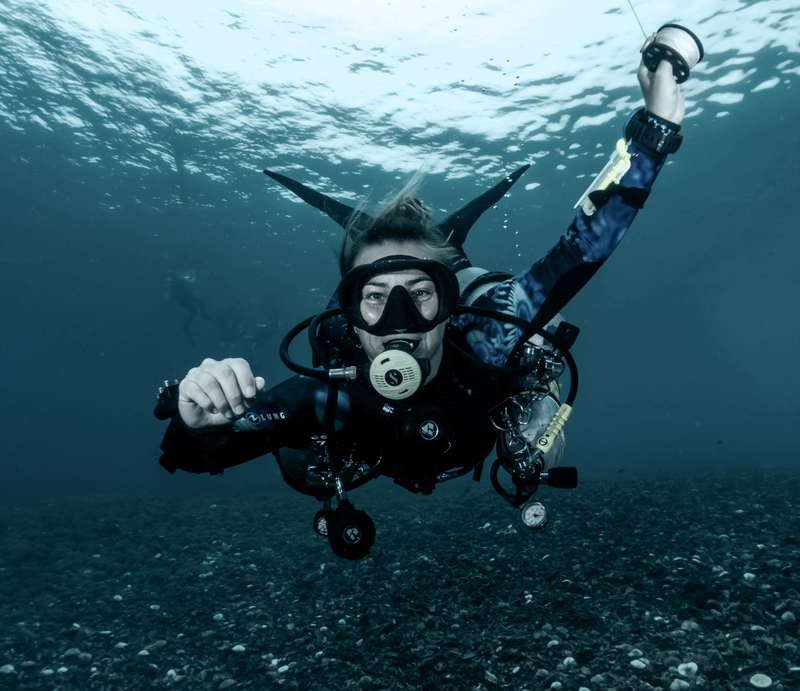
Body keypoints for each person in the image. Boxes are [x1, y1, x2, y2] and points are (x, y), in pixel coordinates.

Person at [156, 56, 689, 559]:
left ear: (449, 301)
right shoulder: (329, 394)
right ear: (348, 316)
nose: (399, 323)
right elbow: (204, 452)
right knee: (298, 466)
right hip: (365, 446)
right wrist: (196, 419)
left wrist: (652, 134)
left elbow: (580, 250)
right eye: (374, 298)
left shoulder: (484, 339)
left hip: (489, 413)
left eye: (421, 293)